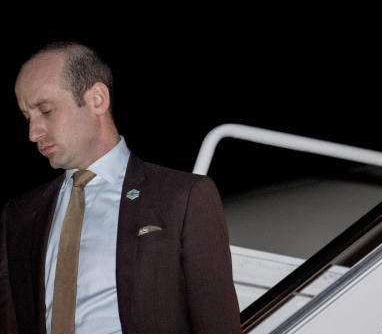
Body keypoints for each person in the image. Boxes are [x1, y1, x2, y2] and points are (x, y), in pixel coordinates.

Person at [0, 42, 241, 334]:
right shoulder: (20, 215)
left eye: (46, 111)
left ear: (98, 99)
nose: (33, 133)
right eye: (27, 118)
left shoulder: (183, 196)